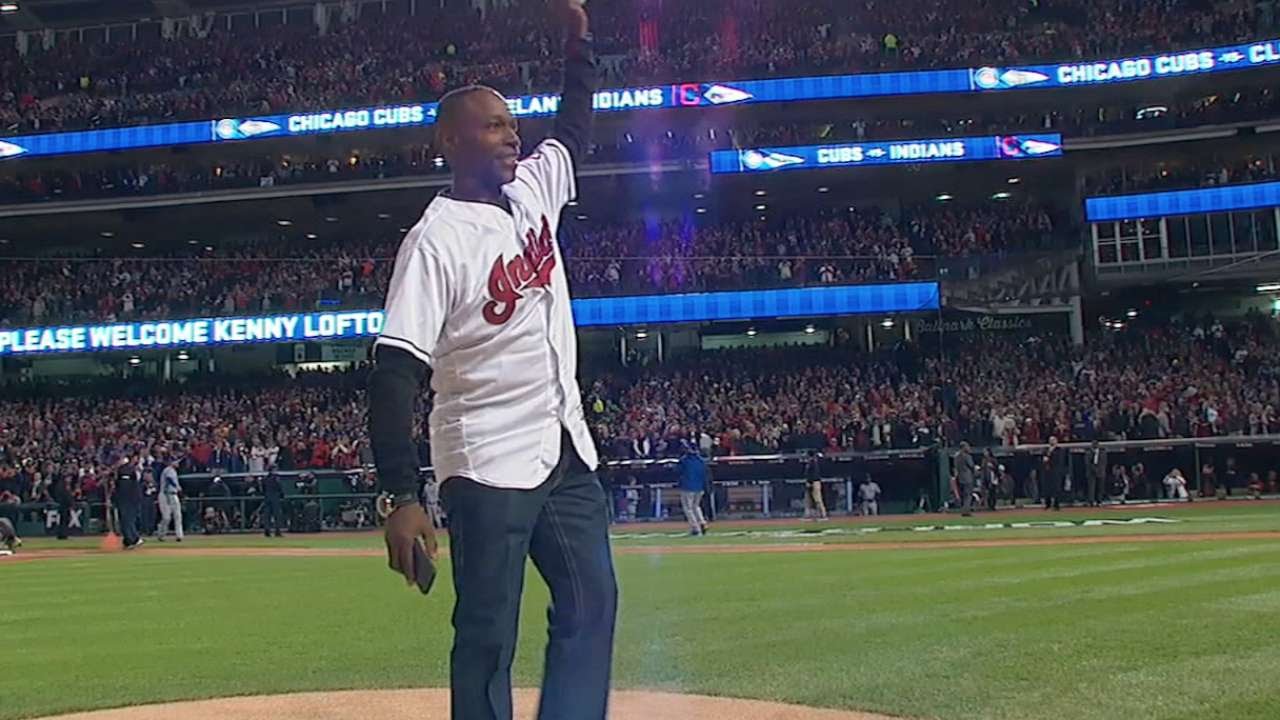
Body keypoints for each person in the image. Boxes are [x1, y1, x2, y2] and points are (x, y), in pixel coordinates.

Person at [367, 4, 616, 719]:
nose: (513, 134)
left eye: (512, 123)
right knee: (485, 633)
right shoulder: (434, 240)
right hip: (484, 460)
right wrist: (401, 496)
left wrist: (579, 41)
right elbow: (394, 371)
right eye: (495, 124)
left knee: (591, 604)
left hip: (563, 445)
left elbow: (573, 130)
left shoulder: (532, 189)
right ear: (451, 140)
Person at [676, 444, 709, 536]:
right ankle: (702, 522)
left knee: (688, 508)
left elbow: (677, 471)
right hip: (699, 487)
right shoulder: (701, 460)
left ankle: (695, 528)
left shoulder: (684, 460)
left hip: (687, 487)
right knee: (696, 506)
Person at [113, 457, 144, 549]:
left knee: (127, 520)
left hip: (128, 499)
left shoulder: (125, 470)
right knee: (126, 520)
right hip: (129, 498)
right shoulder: (124, 471)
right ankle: (128, 541)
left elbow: (123, 485)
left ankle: (134, 539)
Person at [155, 460, 184, 542]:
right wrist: (176, 486)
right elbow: (169, 480)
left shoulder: (174, 471)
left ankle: (179, 536)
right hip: (165, 495)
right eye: (176, 462)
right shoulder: (168, 470)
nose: (178, 463)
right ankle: (161, 534)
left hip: (173, 494)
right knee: (166, 517)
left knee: (178, 515)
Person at [1042, 436, 1066, 511]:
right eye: (1050, 440)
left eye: (1053, 440)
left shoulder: (1059, 450)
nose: (1052, 441)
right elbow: (1043, 459)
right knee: (1047, 488)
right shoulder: (1046, 450)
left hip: (1056, 471)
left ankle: (1056, 505)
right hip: (1047, 472)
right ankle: (1047, 504)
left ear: (1056, 441)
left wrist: (1049, 456)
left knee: (1056, 488)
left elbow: (1058, 460)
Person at [261, 468, 285, 538]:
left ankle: (267, 531)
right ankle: (277, 531)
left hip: (267, 497)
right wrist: (282, 495)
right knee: (276, 515)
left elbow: (263, 488)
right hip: (275, 497)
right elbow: (279, 487)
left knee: (267, 515)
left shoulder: (265, 478)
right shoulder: (276, 478)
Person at [803, 451, 827, 520]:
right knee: (808, 499)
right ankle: (809, 515)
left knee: (817, 499)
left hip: (815, 481)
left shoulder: (813, 462)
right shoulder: (810, 462)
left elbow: (813, 474)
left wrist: (810, 482)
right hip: (811, 481)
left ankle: (823, 515)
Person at [955, 441, 976, 516]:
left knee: (963, 495)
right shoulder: (967, 456)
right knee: (968, 495)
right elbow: (971, 466)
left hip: (960, 477)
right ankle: (966, 511)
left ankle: (963, 509)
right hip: (967, 477)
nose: (968, 448)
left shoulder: (956, 456)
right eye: (967, 446)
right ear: (963, 447)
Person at [1086, 439, 1107, 507]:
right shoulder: (1088, 452)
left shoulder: (1103, 452)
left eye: (1096, 444)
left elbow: (1104, 462)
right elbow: (1087, 463)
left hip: (1100, 471)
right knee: (1091, 488)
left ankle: (1099, 501)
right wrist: (1094, 469)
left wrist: (1099, 470)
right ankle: (1091, 501)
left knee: (1100, 487)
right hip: (1091, 472)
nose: (1094, 445)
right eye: (1093, 444)